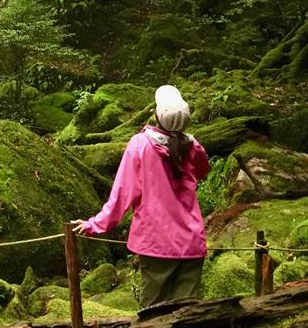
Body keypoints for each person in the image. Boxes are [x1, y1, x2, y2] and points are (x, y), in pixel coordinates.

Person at [70, 84, 210, 308]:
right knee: (188, 314)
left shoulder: (141, 145)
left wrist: (93, 225)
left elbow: (121, 195)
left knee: (152, 316)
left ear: (156, 115)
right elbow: (202, 171)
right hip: (191, 243)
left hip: (156, 243)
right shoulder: (194, 147)